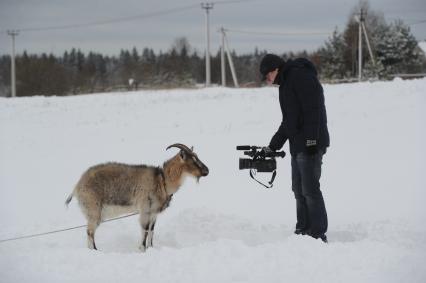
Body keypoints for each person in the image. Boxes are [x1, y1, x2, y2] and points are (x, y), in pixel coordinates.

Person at [259, 54, 330, 243]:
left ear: (275, 70)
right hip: (298, 145)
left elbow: (313, 110)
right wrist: (272, 146)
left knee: (310, 189)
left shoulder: (300, 77)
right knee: (298, 189)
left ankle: (317, 233)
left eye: (267, 76)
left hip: (310, 145)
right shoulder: (286, 85)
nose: (267, 81)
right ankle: (303, 229)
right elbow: (289, 121)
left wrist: (312, 141)